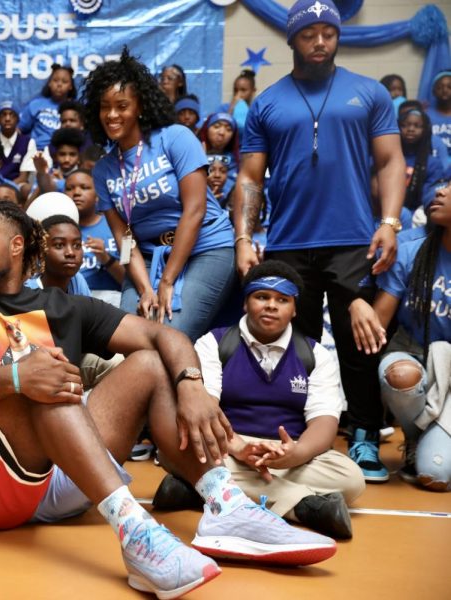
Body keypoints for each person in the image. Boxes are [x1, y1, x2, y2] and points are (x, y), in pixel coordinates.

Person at [0, 201, 336, 597]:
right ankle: (135, 533)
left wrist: (191, 384)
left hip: (65, 473)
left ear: (17, 245)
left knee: (152, 363)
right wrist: (18, 375)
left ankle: (226, 505)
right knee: (48, 377)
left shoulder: (65, 305)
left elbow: (162, 334)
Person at [233, 0, 407, 482]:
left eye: (328, 32)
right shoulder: (267, 102)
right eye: (309, 33)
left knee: (362, 341)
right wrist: (244, 235)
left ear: (337, 37)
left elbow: (391, 161)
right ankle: (300, 435)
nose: (320, 41)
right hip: (288, 242)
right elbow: (249, 177)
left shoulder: (368, 93)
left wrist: (390, 221)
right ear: (292, 40)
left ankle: (366, 434)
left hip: (354, 239)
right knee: (297, 344)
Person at [165, 261, 365, 539]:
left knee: (352, 478)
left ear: (294, 309)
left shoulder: (316, 354)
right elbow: (204, 410)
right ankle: (303, 506)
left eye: (282, 299)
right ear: (246, 303)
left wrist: (296, 452)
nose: (271, 305)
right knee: (174, 451)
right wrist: (237, 447)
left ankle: (197, 489)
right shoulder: (213, 343)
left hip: (288, 452)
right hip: (226, 446)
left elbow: (325, 422)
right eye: (262, 297)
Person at [84, 48, 236, 342]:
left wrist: (167, 281)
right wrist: (144, 288)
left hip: (205, 249)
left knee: (170, 336)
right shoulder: (103, 170)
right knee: (128, 341)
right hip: (147, 259)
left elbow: (195, 211)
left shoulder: (175, 138)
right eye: (105, 107)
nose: (112, 114)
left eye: (122, 105)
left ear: (139, 106)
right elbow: (124, 239)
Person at [350, 185, 451, 492]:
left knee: (438, 476)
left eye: (450, 189)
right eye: (442, 185)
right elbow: (377, 325)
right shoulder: (410, 248)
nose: (439, 192)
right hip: (414, 356)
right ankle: (414, 438)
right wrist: (357, 304)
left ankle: (436, 443)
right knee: (400, 375)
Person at [67, 169, 124, 306]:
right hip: (71, 300)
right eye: (70, 188)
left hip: (112, 299)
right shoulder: (58, 231)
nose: (76, 193)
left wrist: (106, 258)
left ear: (97, 195)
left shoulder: (115, 226)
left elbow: (128, 281)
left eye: (84, 187)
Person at [398, 103, 445, 212]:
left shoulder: (433, 164)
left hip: (418, 214)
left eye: (417, 126)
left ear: (425, 131)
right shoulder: (388, 158)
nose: (410, 129)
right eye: (405, 125)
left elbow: (428, 197)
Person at [19, 64, 76, 151]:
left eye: (64, 82)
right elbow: (19, 129)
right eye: (55, 80)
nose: (59, 84)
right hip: (37, 151)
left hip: (64, 154)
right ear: (49, 83)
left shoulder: (75, 108)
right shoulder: (35, 105)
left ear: (71, 86)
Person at [0, 101, 37, 190]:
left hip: (17, 186)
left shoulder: (28, 142)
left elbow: (23, 177)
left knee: (26, 189)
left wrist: (5, 189)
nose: (7, 118)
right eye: (3, 115)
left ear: (18, 119)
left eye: (12, 115)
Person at [199, 112, 240, 204]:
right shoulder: (193, 154)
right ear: (206, 130)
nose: (222, 133)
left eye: (228, 129)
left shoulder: (239, 161)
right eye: (216, 126)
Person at [32, 128, 83, 197]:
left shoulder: (84, 176)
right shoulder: (46, 173)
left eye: (72, 154)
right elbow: (29, 204)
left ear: (79, 157)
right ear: (55, 156)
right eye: (62, 154)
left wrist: (62, 183)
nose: (67, 159)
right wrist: (44, 177)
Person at [215, 70, 256, 135]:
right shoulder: (224, 109)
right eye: (235, 90)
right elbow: (220, 132)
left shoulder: (257, 111)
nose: (238, 94)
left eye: (243, 90)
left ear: (253, 91)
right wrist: (231, 108)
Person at [425, 71, 451, 158]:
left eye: (449, 87)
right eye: (440, 87)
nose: (445, 90)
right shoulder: (425, 116)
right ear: (433, 91)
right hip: (433, 165)